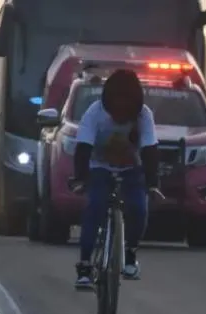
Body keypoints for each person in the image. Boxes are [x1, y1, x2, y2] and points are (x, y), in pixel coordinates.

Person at [70, 69, 164, 290]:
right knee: (95, 205)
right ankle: (84, 265)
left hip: (132, 169)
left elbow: (150, 150)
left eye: (126, 106)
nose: (120, 112)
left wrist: (152, 185)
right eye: (116, 105)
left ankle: (130, 253)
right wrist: (81, 179)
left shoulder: (144, 115)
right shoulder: (94, 113)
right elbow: (83, 148)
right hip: (99, 168)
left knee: (139, 208)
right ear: (108, 102)